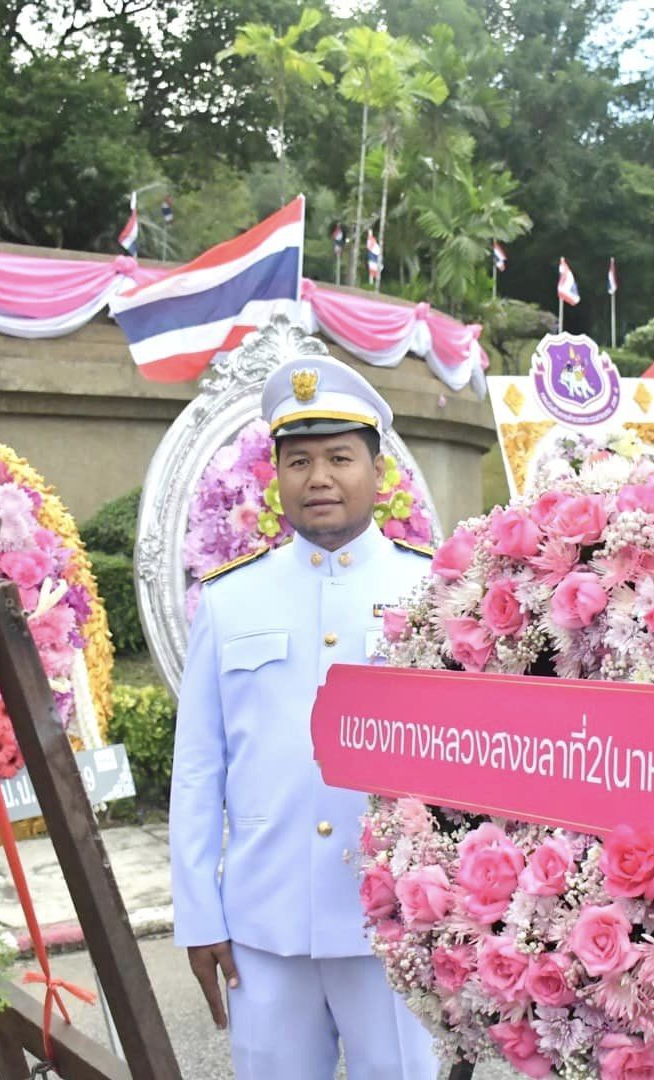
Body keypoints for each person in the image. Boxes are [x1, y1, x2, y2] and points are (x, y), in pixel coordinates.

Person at [169, 352, 439, 1079]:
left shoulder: (433, 591)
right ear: (277, 476)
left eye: (339, 458)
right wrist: (199, 915)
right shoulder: (229, 600)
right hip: (265, 923)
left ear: (377, 471)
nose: (318, 477)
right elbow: (198, 769)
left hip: (394, 922)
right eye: (298, 461)